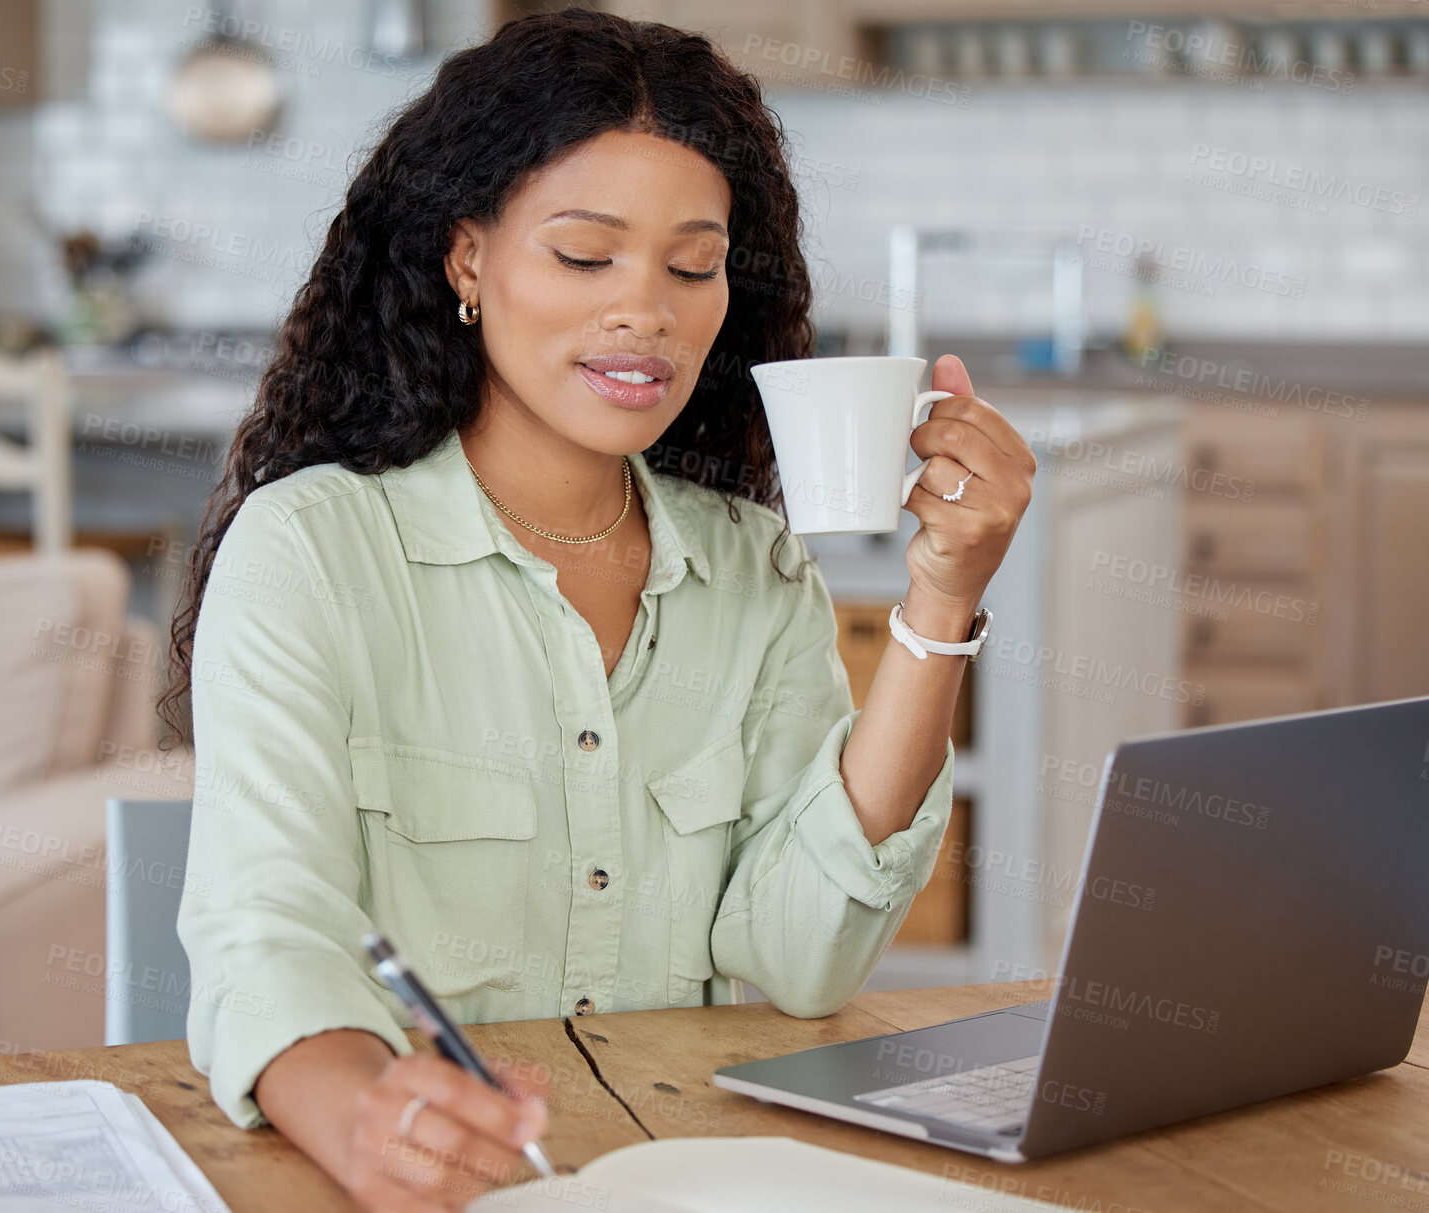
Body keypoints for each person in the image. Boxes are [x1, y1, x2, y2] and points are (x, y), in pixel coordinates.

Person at [159, 9, 1035, 1211]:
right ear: (467, 260)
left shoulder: (750, 566)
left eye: (691, 266)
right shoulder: (315, 550)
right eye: (584, 257)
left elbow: (803, 954)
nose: (648, 313)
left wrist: (944, 598)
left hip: (692, 1169)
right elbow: (271, 929)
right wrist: (366, 1115)